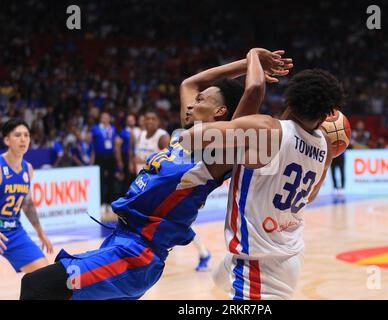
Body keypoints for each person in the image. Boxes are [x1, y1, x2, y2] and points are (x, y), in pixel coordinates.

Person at [19, 48, 292, 300]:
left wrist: (254, 54)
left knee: (37, 285)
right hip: (119, 241)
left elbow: (254, 88)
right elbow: (189, 83)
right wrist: (245, 64)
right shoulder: (185, 136)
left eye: (201, 100)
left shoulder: (219, 153)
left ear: (220, 112)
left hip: (137, 254)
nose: (191, 103)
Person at [179, 68, 345, 300]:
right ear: (327, 112)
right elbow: (310, 197)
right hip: (291, 252)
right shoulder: (325, 146)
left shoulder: (267, 129)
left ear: (290, 99)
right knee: (220, 277)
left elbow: (190, 137)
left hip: (258, 264)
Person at [0, 119, 54, 274]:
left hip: (13, 232)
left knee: (46, 277)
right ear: (7, 140)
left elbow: (27, 203)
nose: (23, 139)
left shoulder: (28, 169)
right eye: (17, 135)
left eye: (26, 135)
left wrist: (40, 232)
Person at [91, 111, 116, 213]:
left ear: (109, 118)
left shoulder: (113, 129)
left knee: (110, 180)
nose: (105, 119)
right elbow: (92, 143)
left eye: (107, 117)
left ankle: (109, 203)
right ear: (100, 118)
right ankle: (101, 203)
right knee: (100, 180)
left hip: (110, 156)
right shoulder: (95, 128)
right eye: (103, 117)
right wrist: (92, 158)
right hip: (99, 156)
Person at [133, 110, 170, 175]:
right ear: (144, 121)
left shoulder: (163, 137)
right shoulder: (141, 134)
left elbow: (168, 162)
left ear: (158, 121)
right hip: (141, 177)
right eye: (147, 119)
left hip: (154, 178)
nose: (150, 121)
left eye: (153, 119)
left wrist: (143, 162)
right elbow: (136, 155)